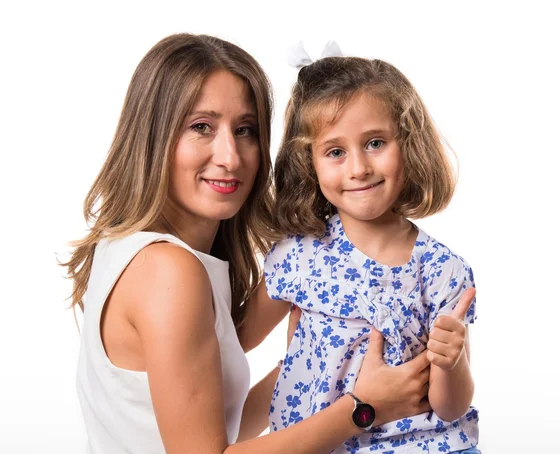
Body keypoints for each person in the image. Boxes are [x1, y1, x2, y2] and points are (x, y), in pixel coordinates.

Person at [62, 33, 433, 454]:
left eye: (245, 130)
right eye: (201, 127)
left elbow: (221, 422)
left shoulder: (134, 251)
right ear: (153, 137)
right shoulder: (168, 271)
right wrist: (364, 407)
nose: (231, 156)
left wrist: (317, 360)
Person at [260, 51, 481, 453]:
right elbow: (231, 338)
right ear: (308, 162)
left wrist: (452, 362)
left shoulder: (442, 270)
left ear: (408, 145)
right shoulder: (297, 254)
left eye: (375, 143)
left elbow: (451, 408)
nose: (358, 167)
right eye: (335, 152)